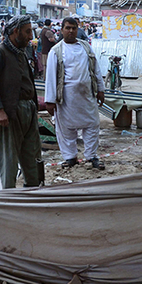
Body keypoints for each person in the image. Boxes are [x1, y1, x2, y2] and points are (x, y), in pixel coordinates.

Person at [0, 15, 41, 189]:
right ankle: (8, 196)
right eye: (27, 32)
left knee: (32, 152)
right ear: (15, 31)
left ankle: (33, 189)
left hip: (28, 109)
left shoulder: (22, 51)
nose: (30, 36)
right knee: (9, 157)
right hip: (10, 111)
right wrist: (0, 110)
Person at [45, 17, 105, 170]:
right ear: (62, 30)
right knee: (66, 129)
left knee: (92, 125)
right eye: (67, 28)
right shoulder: (56, 51)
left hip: (87, 95)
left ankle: (91, 156)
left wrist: (101, 89)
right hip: (66, 98)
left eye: (73, 28)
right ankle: (70, 157)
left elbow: (95, 69)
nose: (71, 31)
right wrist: (50, 101)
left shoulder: (86, 47)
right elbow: (51, 77)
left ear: (77, 29)